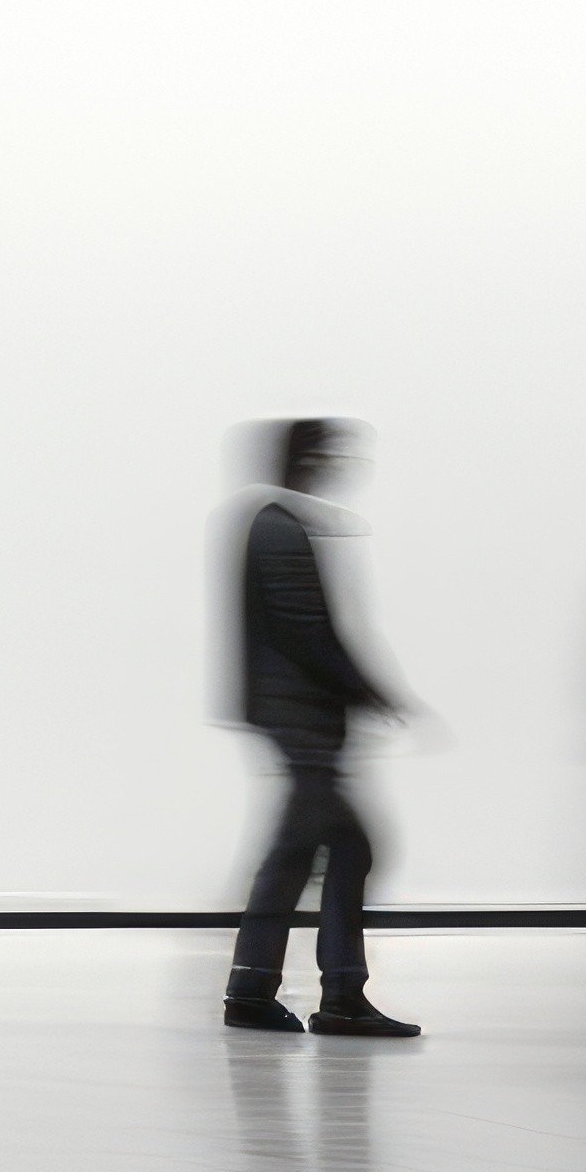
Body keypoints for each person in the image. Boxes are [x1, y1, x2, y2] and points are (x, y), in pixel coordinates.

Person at [220, 417, 420, 1037]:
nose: (341, 464)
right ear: (304, 459)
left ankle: (259, 989)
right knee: (348, 847)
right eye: (331, 452)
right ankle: (334, 996)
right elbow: (306, 631)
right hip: (302, 720)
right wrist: (372, 691)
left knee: (297, 853)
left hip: (294, 718)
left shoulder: (274, 524)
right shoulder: (281, 530)